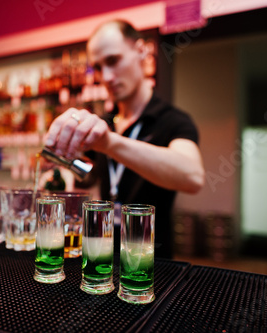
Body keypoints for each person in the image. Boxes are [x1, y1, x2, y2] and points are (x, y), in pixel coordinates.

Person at [44, 19, 205, 259]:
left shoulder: (171, 120)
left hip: (150, 264)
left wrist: (110, 143)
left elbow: (193, 176)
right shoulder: (106, 123)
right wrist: (64, 174)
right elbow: (88, 174)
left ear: (141, 51)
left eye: (113, 61)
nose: (106, 77)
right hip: (103, 256)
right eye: (97, 68)